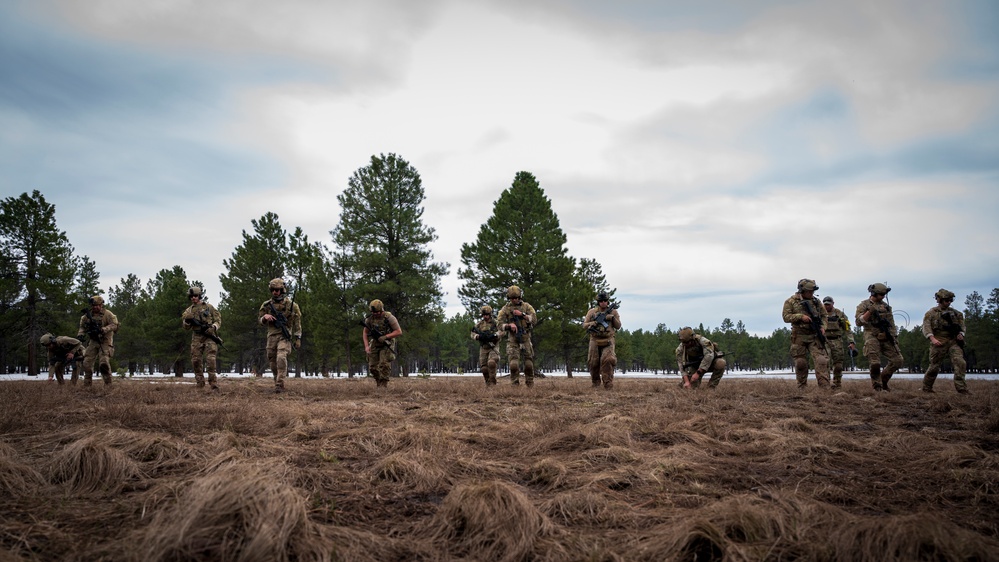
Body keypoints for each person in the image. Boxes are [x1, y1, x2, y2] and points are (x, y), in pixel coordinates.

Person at [781, 279, 830, 388]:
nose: (811, 293)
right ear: (802, 290)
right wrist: (800, 317)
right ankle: (802, 388)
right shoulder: (790, 301)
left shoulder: (817, 302)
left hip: (815, 336)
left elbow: (824, 316)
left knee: (821, 361)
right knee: (801, 363)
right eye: (809, 291)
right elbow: (786, 317)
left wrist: (823, 327)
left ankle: (825, 389)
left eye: (812, 291)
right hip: (799, 336)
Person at [855, 282, 903, 392]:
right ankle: (877, 386)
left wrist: (893, 337)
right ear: (874, 294)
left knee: (898, 360)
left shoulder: (886, 306)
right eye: (881, 294)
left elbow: (891, 323)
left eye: (884, 294)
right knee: (875, 362)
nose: (883, 297)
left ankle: (883, 380)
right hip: (871, 334)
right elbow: (858, 322)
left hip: (886, 335)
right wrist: (870, 311)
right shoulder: (863, 305)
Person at [258, 278, 302, 393]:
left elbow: (297, 323)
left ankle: (279, 384)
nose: (275, 292)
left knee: (281, 357)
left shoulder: (292, 305)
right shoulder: (266, 305)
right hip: (272, 336)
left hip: (284, 336)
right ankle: (277, 380)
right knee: (272, 361)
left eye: (277, 290)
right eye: (273, 290)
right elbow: (260, 320)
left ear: (282, 290)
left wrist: (298, 338)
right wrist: (265, 318)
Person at [921, 289, 968, 394]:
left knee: (960, 363)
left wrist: (961, 334)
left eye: (950, 300)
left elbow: (962, 326)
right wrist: (932, 339)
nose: (949, 302)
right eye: (946, 300)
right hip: (939, 341)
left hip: (953, 341)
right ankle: (927, 388)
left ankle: (962, 389)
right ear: (939, 300)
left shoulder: (956, 314)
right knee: (934, 366)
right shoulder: (931, 313)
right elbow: (926, 327)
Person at [182, 286, 222, 392]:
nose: (193, 298)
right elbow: (186, 327)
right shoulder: (188, 311)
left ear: (199, 295)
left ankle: (213, 384)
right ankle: (200, 383)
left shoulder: (209, 307)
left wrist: (213, 327)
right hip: (196, 336)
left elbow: (218, 320)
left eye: (195, 296)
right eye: (191, 296)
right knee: (196, 361)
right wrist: (187, 321)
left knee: (211, 360)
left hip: (209, 336)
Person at [497, 285, 537, 386]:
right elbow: (499, 324)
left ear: (520, 297)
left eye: (516, 298)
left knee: (528, 364)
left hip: (525, 337)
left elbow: (534, 319)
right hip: (513, 339)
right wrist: (508, 325)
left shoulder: (526, 306)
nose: (514, 300)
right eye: (512, 298)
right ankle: (515, 385)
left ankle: (530, 384)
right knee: (513, 364)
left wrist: (522, 315)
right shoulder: (505, 309)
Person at [77, 295, 119, 386]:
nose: (95, 307)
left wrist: (104, 329)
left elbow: (114, 325)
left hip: (105, 341)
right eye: (93, 306)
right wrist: (80, 334)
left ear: (101, 305)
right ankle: (87, 385)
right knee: (87, 363)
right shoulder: (86, 316)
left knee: (104, 363)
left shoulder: (108, 314)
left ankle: (108, 385)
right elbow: (82, 327)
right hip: (93, 341)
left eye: (97, 305)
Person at [582, 292, 622, 389]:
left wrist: (612, 318)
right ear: (598, 302)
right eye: (601, 301)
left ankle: (608, 384)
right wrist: (593, 323)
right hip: (595, 339)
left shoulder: (613, 312)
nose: (603, 303)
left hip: (608, 339)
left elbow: (618, 326)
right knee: (593, 362)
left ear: (608, 301)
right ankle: (595, 383)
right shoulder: (592, 312)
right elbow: (584, 325)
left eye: (605, 301)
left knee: (608, 360)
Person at [363, 299, 402, 387]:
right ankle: (378, 381)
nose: (375, 314)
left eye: (377, 312)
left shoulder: (389, 318)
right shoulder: (369, 319)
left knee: (384, 364)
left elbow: (398, 331)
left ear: (381, 310)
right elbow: (365, 333)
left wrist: (385, 337)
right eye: (373, 312)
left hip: (387, 343)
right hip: (375, 342)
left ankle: (383, 384)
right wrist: (366, 346)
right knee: (372, 366)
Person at [822, 296, 857, 389]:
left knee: (838, 365)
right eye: (825, 304)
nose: (827, 306)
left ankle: (837, 384)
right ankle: (826, 384)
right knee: (825, 362)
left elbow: (847, 329)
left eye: (828, 304)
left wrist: (851, 341)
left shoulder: (839, 314)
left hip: (837, 341)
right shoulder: (819, 314)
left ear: (833, 303)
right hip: (824, 341)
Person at [471, 305, 501, 386]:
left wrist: (495, 335)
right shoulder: (479, 324)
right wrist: (478, 336)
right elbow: (472, 333)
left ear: (490, 314)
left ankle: (493, 383)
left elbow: (502, 331)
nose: (485, 317)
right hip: (483, 347)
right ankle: (488, 384)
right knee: (484, 368)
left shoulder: (495, 323)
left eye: (487, 315)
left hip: (493, 346)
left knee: (491, 363)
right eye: (484, 315)